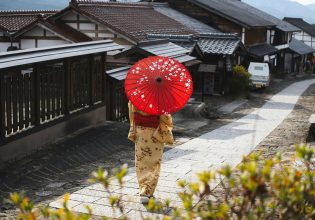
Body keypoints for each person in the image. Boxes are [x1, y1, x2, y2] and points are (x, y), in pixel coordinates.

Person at [128, 101, 174, 204]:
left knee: (141, 162)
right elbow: (166, 118)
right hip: (155, 134)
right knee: (154, 163)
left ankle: (143, 189)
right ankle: (147, 192)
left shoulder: (136, 96)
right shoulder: (159, 98)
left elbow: (132, 113)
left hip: (140, 132)